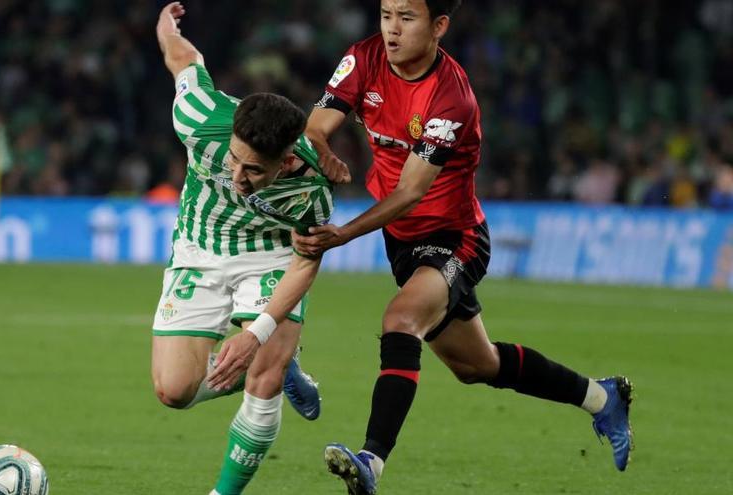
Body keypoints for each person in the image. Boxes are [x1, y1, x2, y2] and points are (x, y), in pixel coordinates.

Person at [294, 1, 634, 493]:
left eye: (406, 17)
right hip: (403, 241)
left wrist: (342, 234)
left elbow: (411, 191)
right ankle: (603, 400)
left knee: (400, 319)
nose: (392, 28)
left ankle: (371, 461)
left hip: (455, 239)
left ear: (438, 26)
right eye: (386, 13)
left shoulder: (451, 98)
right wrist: (323, 151)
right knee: (478, 365)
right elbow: (315, 126)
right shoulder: (363, 58)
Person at [153, 3, 334, 494]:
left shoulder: (311, 190)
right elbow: (182, 59)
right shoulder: (198, 118)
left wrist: (258, 333)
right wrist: (165, 25)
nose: (237, 177)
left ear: (286, 160)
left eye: (254, 170)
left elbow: (305, 262)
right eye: (234, 160)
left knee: (264, 373)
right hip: (199, 247)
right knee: (173, 391)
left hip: (270, 256)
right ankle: (281, 359)